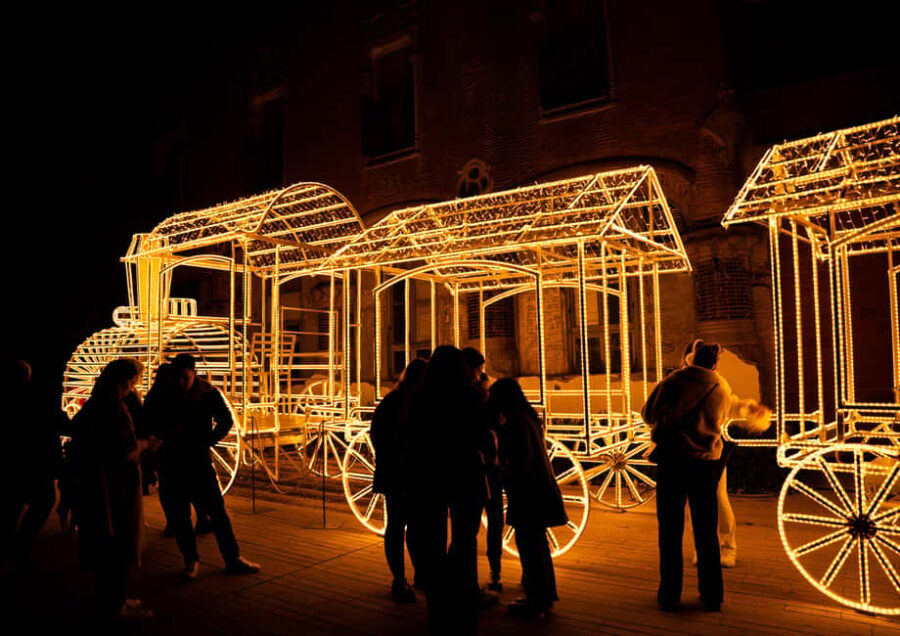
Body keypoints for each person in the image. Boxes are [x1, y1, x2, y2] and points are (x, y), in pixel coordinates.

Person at [642, 339, 771, 613]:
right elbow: (732, 408)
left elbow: (648, 413)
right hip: (706, 463)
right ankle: (712, 595)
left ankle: (670, 594)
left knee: (670, 531)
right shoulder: (720, 386)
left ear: (690, 358)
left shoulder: (673, 382)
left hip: (673, 461)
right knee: (706, 532)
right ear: (715, 362)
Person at [407, 345, 490, 635]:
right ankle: (465, 594)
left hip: (431, 475)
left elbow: (412, 437)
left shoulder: (420, 397)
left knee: (433, 538)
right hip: (465, 473)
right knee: (465, 538)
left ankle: (437, 602)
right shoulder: (469, 396)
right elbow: (484, 437)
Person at [156, 353, 259, 580]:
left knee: (218, 513)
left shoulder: (208, 393)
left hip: (198, 459)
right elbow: (151, 420)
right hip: (172, 460)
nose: (181, 382)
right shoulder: (165, 391)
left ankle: (232, 558)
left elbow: (226, 419)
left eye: (186, 377)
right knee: (181, 515)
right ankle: (191, 560)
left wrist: (209, 439)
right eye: (178, 377)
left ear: (194, 374)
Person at [70, 358, 153, 620]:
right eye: (133, 381)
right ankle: (115, 605)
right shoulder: (115, 410)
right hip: (114, 488)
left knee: (106, 543)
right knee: (118, 543)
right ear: (123, 381)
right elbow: (124, 452)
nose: (134, 387)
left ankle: (114, 599)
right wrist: (146, 444)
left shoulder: (94, 406)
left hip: (97, 485)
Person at [488, 378, 566, 620]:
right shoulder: (528, 418)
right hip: (539, 490)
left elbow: (520, 458)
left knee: (530, 546)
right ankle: (544, 595)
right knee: (537, 546)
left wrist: (501, 470)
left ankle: (536, 599)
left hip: (528, 493)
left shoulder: (515, 423)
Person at [371, 358, 427, 602]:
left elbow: (377, 435)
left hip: (397, 473)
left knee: (399, 526)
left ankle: (405, 577)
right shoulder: (410, 403)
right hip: (405, 474)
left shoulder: (392, 401)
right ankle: (408, 577)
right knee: (405, 528)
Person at [1, 360, 63, 572]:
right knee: (43, 503)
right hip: (36, 463)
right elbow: (59, 422)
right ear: (28, 376)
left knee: (11, 507)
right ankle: (19, 547)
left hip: (11, 463)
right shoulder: (37, 399)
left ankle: (8, 551)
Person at [144, 363, 213, 538]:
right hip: (172, 449)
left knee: (171, 489)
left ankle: (179, 522)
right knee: (177, 487)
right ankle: (189, 521)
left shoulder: (159, 394)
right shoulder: (167, 395)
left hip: (172, 449)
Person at [462, 346, 503, 593]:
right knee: (488, 523)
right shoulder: (476, 399)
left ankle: (483, 574)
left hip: (481, 471)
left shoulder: (470, 396)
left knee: (471, 528)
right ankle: (491, 573)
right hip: (484, 471)